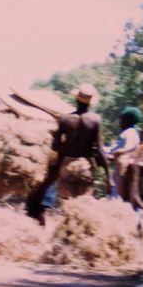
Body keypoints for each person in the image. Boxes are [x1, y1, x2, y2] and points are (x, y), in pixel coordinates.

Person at [26, 83, 109, 225]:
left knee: (67, 205)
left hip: (67, 166)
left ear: (76, 99)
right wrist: (108, 175)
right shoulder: (96, 120)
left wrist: (67, 146)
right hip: (86, 167)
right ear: (91, 103)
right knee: (83, 205)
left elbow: (55, 146)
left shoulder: (65, 119)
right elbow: (100, 150)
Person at [106, 106, 143, 202]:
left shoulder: (129, 133)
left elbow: (126, 148)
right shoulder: (131, 132)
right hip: (122, 166)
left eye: (121, 119)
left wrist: (115, 152)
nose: (120, 122)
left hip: (123, 168)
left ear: (127, 120)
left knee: (116, 193)